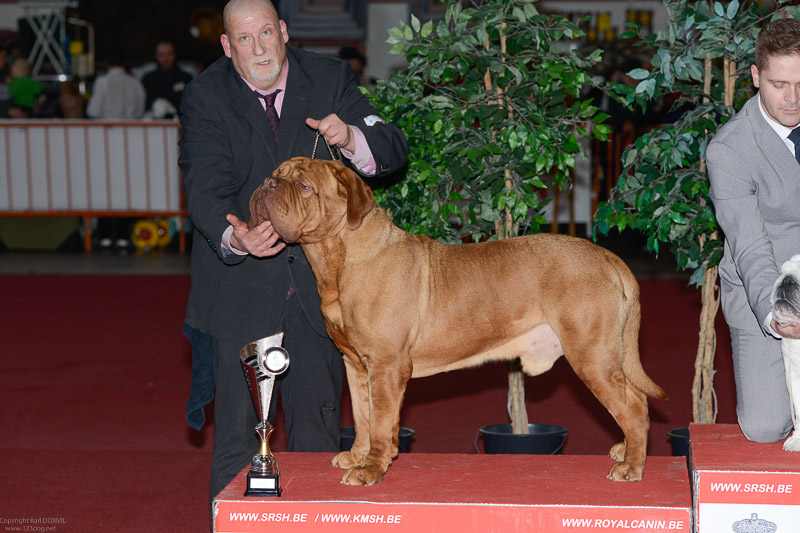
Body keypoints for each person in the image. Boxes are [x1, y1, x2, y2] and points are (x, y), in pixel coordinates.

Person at [178, 0, 407, 500]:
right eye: (244, 38)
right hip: (237, 290)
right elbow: (204, 189)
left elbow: (390, 150)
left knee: (318, 439)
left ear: (282, 30)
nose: (259, 48)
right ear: (227, 45)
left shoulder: (329, 77)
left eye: (266, 32)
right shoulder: (204, 95)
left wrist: (348, 137)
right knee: (239, 444)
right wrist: (235, 235)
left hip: (320, 297)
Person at [707, 17, 800, 444]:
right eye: (780, 84)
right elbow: (749, 246)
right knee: (764, 428)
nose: (793, 98)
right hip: (765, 288)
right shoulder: (730, 150)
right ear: (756, 76)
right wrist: (778, 314)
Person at [86, 50, 146, 119]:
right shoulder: (135, 82)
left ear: (106, 63)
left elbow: (93, 111)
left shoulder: (102, 82)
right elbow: (140, 112)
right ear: (124, 64)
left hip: (107, 127)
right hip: (130, 127)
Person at [141, 41, 192, 118]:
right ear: (156, 56)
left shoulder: (186, 78)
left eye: (169, 54)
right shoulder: (148, 79)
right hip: (155, 125)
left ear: (174, 55)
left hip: (181, 124)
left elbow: (191, 104)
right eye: (162, 55)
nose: (166, 58)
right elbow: (144, 104)